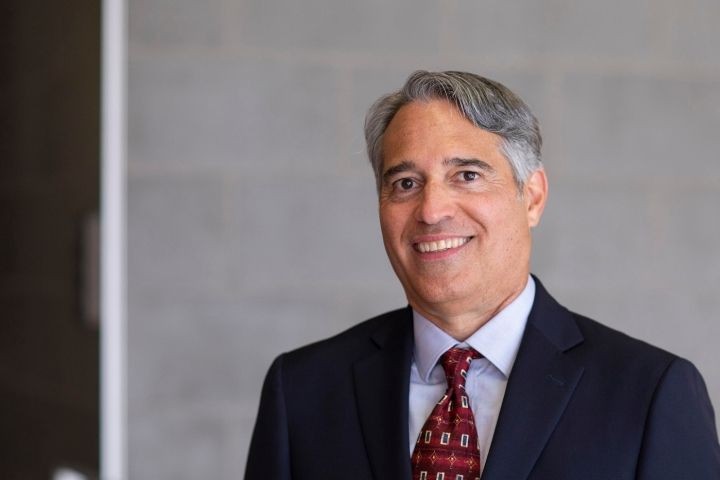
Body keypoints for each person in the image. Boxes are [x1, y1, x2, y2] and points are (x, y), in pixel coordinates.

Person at [244, 70, 720, 479]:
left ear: (531, 196)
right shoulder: (302, 391)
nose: (431, 210)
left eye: (467, 175)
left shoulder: (651, 393)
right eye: (405, 183)